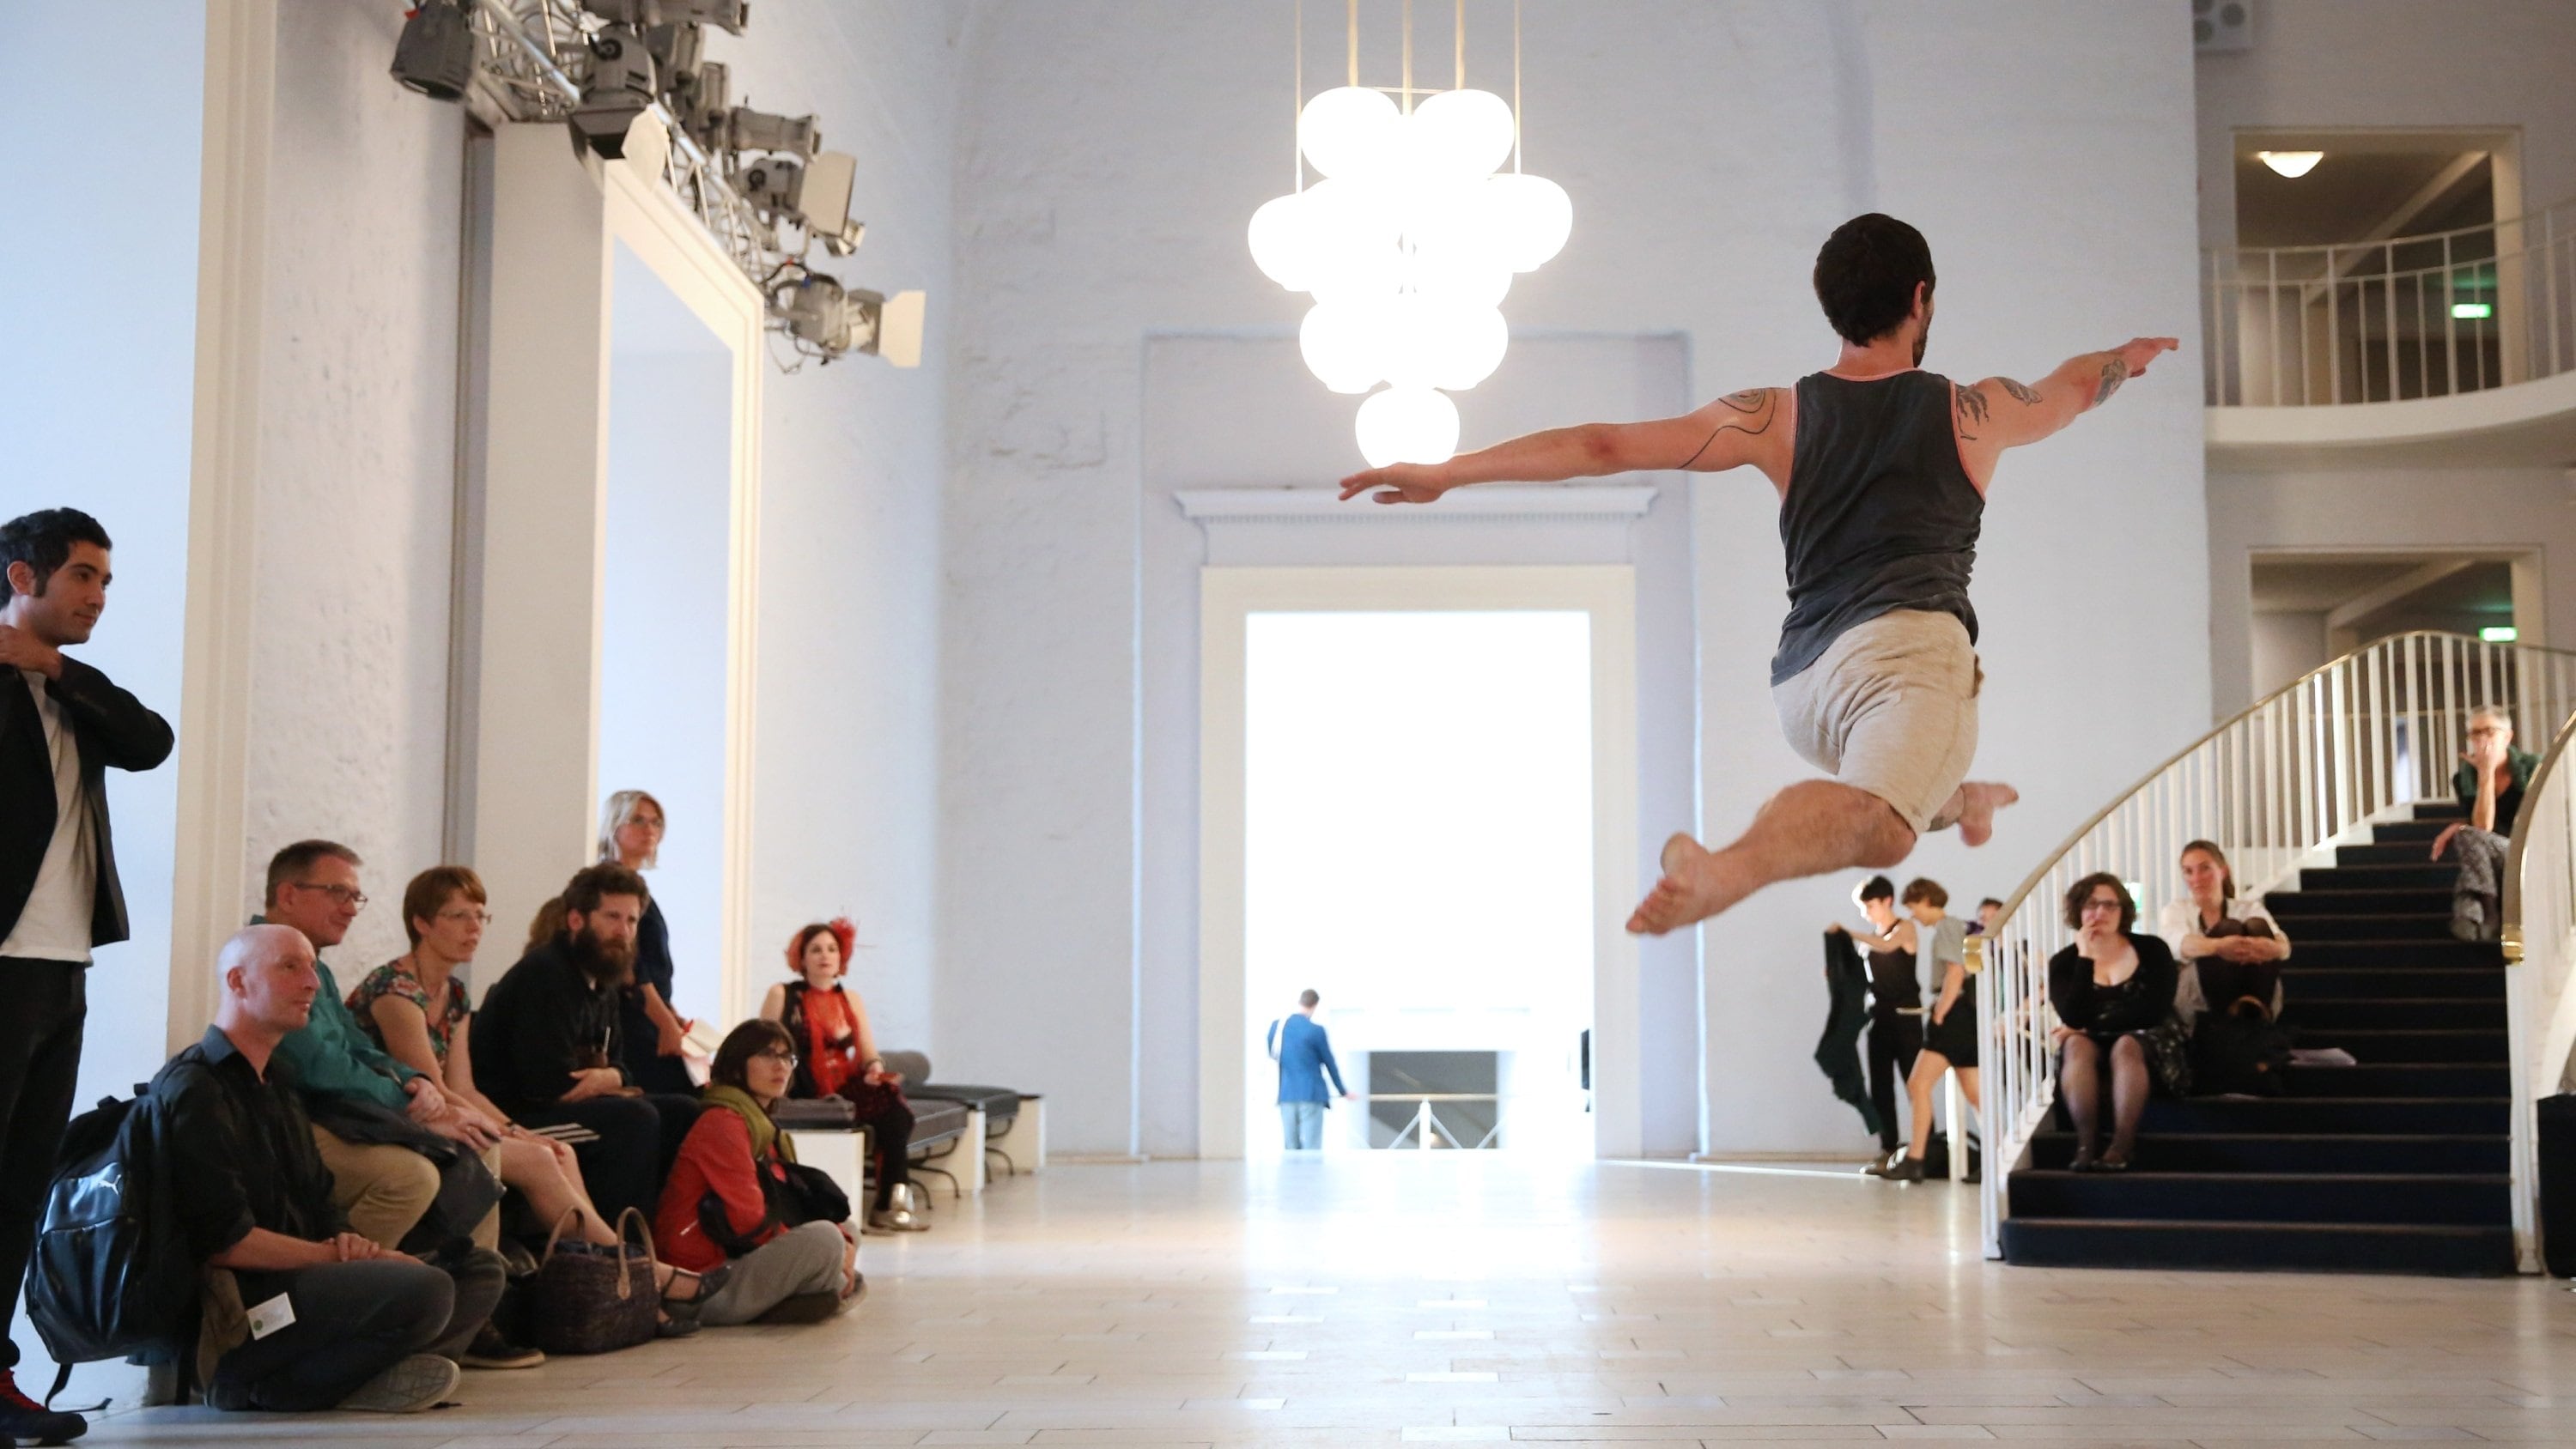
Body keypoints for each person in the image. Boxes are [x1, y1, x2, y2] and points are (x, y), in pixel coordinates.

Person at [1338, 215, 2178, 936]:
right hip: (1908, 658)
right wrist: (2127, 356)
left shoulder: (1775, 413)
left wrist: (1451, 470)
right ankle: (1728, 868)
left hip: (1805, 690)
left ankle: (1969, 799)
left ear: (1832, 306)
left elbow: (1604, 446)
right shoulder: (1974, 408)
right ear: (1922, 297)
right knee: (1884, 831)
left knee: (1911, 782)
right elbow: (2073, 385)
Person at [349, 864, 718, 1341]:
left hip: (447, 1115)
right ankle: (642, 1273)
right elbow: (430, 1088)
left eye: (481, 916)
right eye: (460, 916)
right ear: (422, 923)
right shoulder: (395, 990)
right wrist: (510, 1127)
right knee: (559, 1151)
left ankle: (618, 1284)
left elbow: (464, 1087)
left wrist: (511, 1129)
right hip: (397, 1122)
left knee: (555, 1149)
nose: (474, 929)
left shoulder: (455, 992)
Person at [156, 926, 507, 1414]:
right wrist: (341, 1260)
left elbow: (319, 1199)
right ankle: (256, 1384)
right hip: (245, 1310)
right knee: (424, 1289)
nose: (313, 984)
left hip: (297, 1280)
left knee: (478, 1270)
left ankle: (355, 1378)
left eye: (312, 968)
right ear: (238, 982)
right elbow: (224, 1242)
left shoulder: (276, 1080)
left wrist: (352, 1241)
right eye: (289, 967)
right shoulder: (195, 1088)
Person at [0, 507, 174, 1443]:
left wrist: (55, 668)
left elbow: (151, 739)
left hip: (62, 961)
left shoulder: (72, 686)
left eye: (105, 579)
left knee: (24, 1181)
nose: (98, 597)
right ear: (22, 577)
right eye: (81, 576)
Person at [258, 840, 501, 1254]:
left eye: (356, 897)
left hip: (339, 1113)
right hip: (292, 1121)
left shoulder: (318, 967)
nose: (351, 908)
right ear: (288, 895)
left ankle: (467, 1292)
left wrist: (414, 1081)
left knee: (481, 1142)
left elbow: (359, 1047)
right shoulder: (264, 956)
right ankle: (337, 1291)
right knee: (412, 1177)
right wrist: (410, 1108)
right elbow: (320, 1066)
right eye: (338, 893)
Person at [471, 863, 701, 1222]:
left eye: (632, 921)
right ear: (577, 920)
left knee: (685, 1112)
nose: (623, 932)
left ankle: (669, 1237)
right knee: (634, 1119)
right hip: (515, 1116)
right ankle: (617, 1254)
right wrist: (608, 1078)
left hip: (560, 1105)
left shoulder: (602, 979)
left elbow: (621, 1068)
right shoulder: (547, 974)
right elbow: (547, 1086)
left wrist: (608, 1078)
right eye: (612, 917)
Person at [656, 1021, 863, 1325]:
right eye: (768, 1055)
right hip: (705, 1276)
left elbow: (788, 1202)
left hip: (738, 1255)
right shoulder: (723, 1122)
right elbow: (748, 1222)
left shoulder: (760, 1125)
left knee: (846, 1229)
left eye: (787, 1058)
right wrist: (831, 1246)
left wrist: (842, 1240)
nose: (780, 1066)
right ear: (738, 1065)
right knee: (826, 1240)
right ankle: (789, 1296)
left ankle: (796, 1294)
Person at [762, 919, 927, 1233]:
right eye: (816, 950)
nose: (825, 956)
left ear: (842, 957)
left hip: (845, 1087)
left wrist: (876, 1070)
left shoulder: (850, 999)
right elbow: (762, 1045)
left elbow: (868, 1054)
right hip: (799, 1086)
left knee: (894, 1108)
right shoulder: (782, 994)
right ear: (802, 957)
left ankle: (891, 1200)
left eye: (832, 949)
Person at [2048, 874, 2188, 1173]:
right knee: (2075, 1045)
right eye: (2092, 905)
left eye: (2110, 905)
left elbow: (2153, 1010)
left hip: (2151, 1042)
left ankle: (2122, 1146)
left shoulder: (2153, 949)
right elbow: (2072, 1016)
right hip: (2092, 1045)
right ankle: (2087, 1145)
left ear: (2123, 910)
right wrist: (2085, 957)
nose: (2100, 913)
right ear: (2078, 911)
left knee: (2125, 1044)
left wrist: (2091, 1027)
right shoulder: (2064, 962)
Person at [1879, 879, 1978, 1184]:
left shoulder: (1948, 927)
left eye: (1913, 907)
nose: (1913, 915)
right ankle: (1993, 1156)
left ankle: (1916, 1159)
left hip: (1952, 1016)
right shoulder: (1957, 926)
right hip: (1963, 1017)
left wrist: (1941, 1012)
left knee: (1918, 1084)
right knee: (1975, 1095)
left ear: (1926, 900)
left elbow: (1955, 973)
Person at [598, 791, 696, 1094]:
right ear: (615, 826)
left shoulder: (637, 888)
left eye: (656, 823)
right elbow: (630, 967)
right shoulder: (611, 885)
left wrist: (670, 1012)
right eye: (638, 820)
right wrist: (664, 1020)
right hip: (630, 1019)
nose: (650, 830)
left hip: (646, 1014)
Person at [1829, 876, 1921, 1173]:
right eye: (1862, 907)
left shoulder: (1904, 928)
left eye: (1869, 905)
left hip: (1906, 1018)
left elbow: (1886, 946)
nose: (1866, 912)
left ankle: (1925, 1151)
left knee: (1915, 1085)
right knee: (1881, 1088)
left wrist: (1850, 933)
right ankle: (1888, 1151)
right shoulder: (1869, 940)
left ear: (1887, 901)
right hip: (1878, 1019)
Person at [2428, 706, 2540, 942]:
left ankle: (2483, 914)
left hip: (2529, 852)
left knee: (2465, 843)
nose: (2481, 740)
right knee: (2468, 842)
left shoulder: (2533, 767)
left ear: (2507, 736)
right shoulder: (2465, 778)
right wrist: (2485, 774)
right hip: (2492, 855)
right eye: (2475, 733)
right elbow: (2482, 828)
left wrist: (2459, 827)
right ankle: (2475, 919)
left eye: (2489, 731)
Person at [2157, 840, 2289, 1019]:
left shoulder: (2249, 908)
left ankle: (2252, 1009)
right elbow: (2178, 944)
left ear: (2223, 871)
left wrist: (2270, 948)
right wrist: (2220, 947)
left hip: (2253, 986)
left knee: (2256, 925)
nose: (2196, 878)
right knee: (2230, 927)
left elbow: (2283, 946)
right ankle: (2233, 1019)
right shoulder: (2176, 909)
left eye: (2205, 868)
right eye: (2189, 872)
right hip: (2198, 996)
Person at [1267, 989, 1352, 1151]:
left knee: (1290, 1146)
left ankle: (1291, 1176)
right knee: (1312, 1148)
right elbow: (1329, 1063)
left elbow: (1272, 1053)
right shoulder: (1315, 1031)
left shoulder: (1277, 1027)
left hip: (1286, 1093)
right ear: (1315, 1005)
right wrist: (1343, 1090)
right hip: (1311, 1093)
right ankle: (1310, 1177)